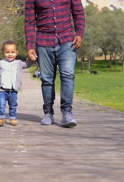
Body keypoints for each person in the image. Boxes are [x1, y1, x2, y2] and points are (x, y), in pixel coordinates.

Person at [25, 0, 85, 128]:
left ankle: (67, 113)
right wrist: (30, 45)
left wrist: (79, 33)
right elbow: (30, 22)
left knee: (68, 75)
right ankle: (48, 113)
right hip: (43, 41)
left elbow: (78, 13)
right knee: (47, 79)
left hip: (67, 40)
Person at [0, 40, 33, 127]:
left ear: (17, 53)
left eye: (12, 52)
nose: (10, 54)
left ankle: (12, 118)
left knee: (13, 104)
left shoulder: (19, 63)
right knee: (1, 103)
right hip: (1, 89)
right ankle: (1, 118)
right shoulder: (0, 63)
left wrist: (32, 59)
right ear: (3, 53)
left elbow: (28, 64)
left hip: (13, 90)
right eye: (7, 52)